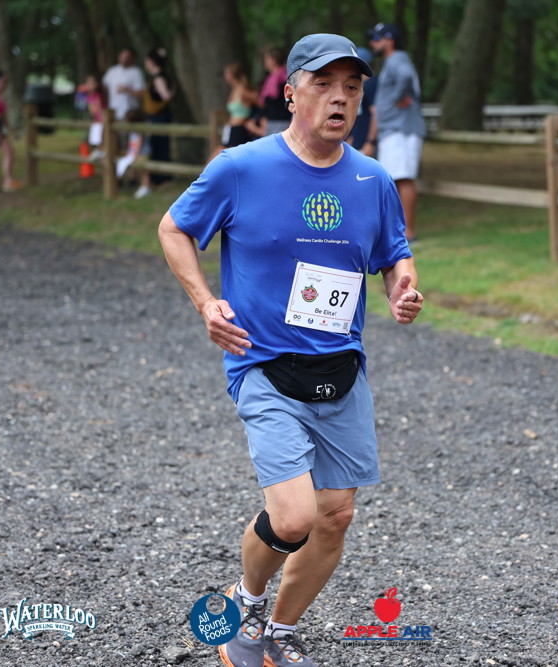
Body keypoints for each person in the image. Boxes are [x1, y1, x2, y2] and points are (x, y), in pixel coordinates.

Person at [158, 33, 422, 667]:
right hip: (264, 364)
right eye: (324, 84)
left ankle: (279, 630)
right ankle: (246, 604)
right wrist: (206, 303)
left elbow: (394, 253)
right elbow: (174, 228)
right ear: (291, 93)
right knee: (296, 515)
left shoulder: (372, 179)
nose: (340, 98)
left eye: (352, 87)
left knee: (335, 516)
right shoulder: (240, 168)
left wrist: (403, 286)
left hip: (342, 370)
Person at [366, 22, 426, 243]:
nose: (372, 43)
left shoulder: (397, 58)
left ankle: (408, 233)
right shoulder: (393, 61)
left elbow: (406, 77)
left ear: (389, 41)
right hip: (394, 129)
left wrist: (399, 98)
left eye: (377, 39)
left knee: (403, 179)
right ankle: (399, 232)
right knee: (395, 179)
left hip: (402, 130)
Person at [210, 62, 258, 162]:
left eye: (227, 72)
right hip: (230, 129)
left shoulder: (243, 89)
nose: (225, 75)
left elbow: (259, 100)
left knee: (220, 156)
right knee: (220, 155)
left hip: (238, 129)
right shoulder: (234, 89)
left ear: (233, 74)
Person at [142, 47, 174, 188]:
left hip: (159, 116)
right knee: (159, 145)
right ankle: (159, 178)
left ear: (152, 62)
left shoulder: (159, 78)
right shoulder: (161, 76)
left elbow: (165, 96)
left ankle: (163, 178)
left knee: (159, 145)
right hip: (159, 116)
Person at [247, 45, 291, 137]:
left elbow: (278, 102)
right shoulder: (270, 79)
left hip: (282, 122)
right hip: (271, 122)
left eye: (266, 59)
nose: (265, 62)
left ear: (273, 60)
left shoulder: (284, 79)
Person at [102, 49, 145, 134]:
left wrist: (127, 89)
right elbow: (104, 87)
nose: (124, 58)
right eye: (123, 56)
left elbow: (141, 94)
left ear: (132, 59)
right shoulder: (112, 71)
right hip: (113, 112)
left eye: (127, 57)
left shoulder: (136, 72)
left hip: (130, 115)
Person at [349, 47, 378, 152]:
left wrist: (370, 141)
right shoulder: (360, 85)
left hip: (365, 144)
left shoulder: (372, 83)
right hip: (356, 143)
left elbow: (376, 113)